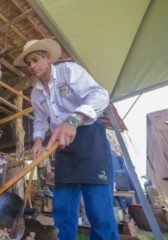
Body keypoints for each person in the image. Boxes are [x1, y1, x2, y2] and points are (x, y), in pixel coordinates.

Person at [14, 39, 118, 240]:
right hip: (62, 145)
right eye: (28, 63)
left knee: (98, 209)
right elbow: (40, 121)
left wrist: (73, 119)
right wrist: (37, 140)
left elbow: (100, 95)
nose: (32, 66)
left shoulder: (69, 71)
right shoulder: (36, 92)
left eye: (35, 60)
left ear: (48, 57)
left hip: (89, 139)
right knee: (62, 208)